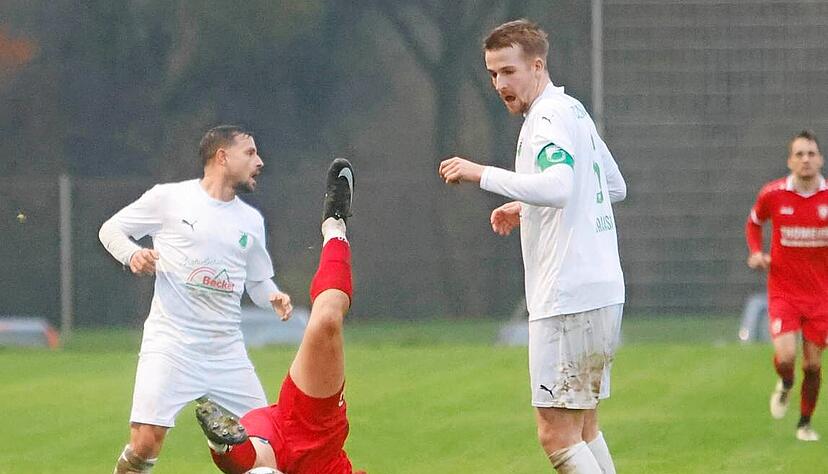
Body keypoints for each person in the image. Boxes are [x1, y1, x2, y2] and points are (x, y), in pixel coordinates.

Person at [438, 19, 626, 473]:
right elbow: (611, 185)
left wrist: (480, 173)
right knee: (584, 429)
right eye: (492, 74)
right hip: (601, 291)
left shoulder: (545, 118)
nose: (499, 83)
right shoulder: (573, 110)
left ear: (537, 66)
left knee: (555, 436)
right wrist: (525, 206)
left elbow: (560, 186)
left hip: (566, 298)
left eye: (508, 71)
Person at [99, 125, 293, 473]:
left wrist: (273, 297)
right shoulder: (170, 199)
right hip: (172, 345)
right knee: (144, 445)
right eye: (250, 153)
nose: (259, 161)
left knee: (267, 449)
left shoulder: (251, 221)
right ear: (222, 157)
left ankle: (220, 444)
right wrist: (132, 255)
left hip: (225, 352)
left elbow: (259, 282)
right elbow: (110, 229)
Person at [194, 158, 364, 474]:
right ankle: (225, 445)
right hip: (321, 453)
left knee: (326, 321)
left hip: (290, 429)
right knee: (326, 321)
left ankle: (334, 227)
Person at [745, 129, 828, 442]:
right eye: (799, 154)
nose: (806, 160)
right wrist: (756, 252)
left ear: (820, 159)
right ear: (790, 161)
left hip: (821, 295)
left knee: (813, 363)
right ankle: (785, 383)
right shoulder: (774, 194)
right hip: (784, 291)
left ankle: (804, 424)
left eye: (811, 154)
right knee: (787, 357)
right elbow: (754, 222)